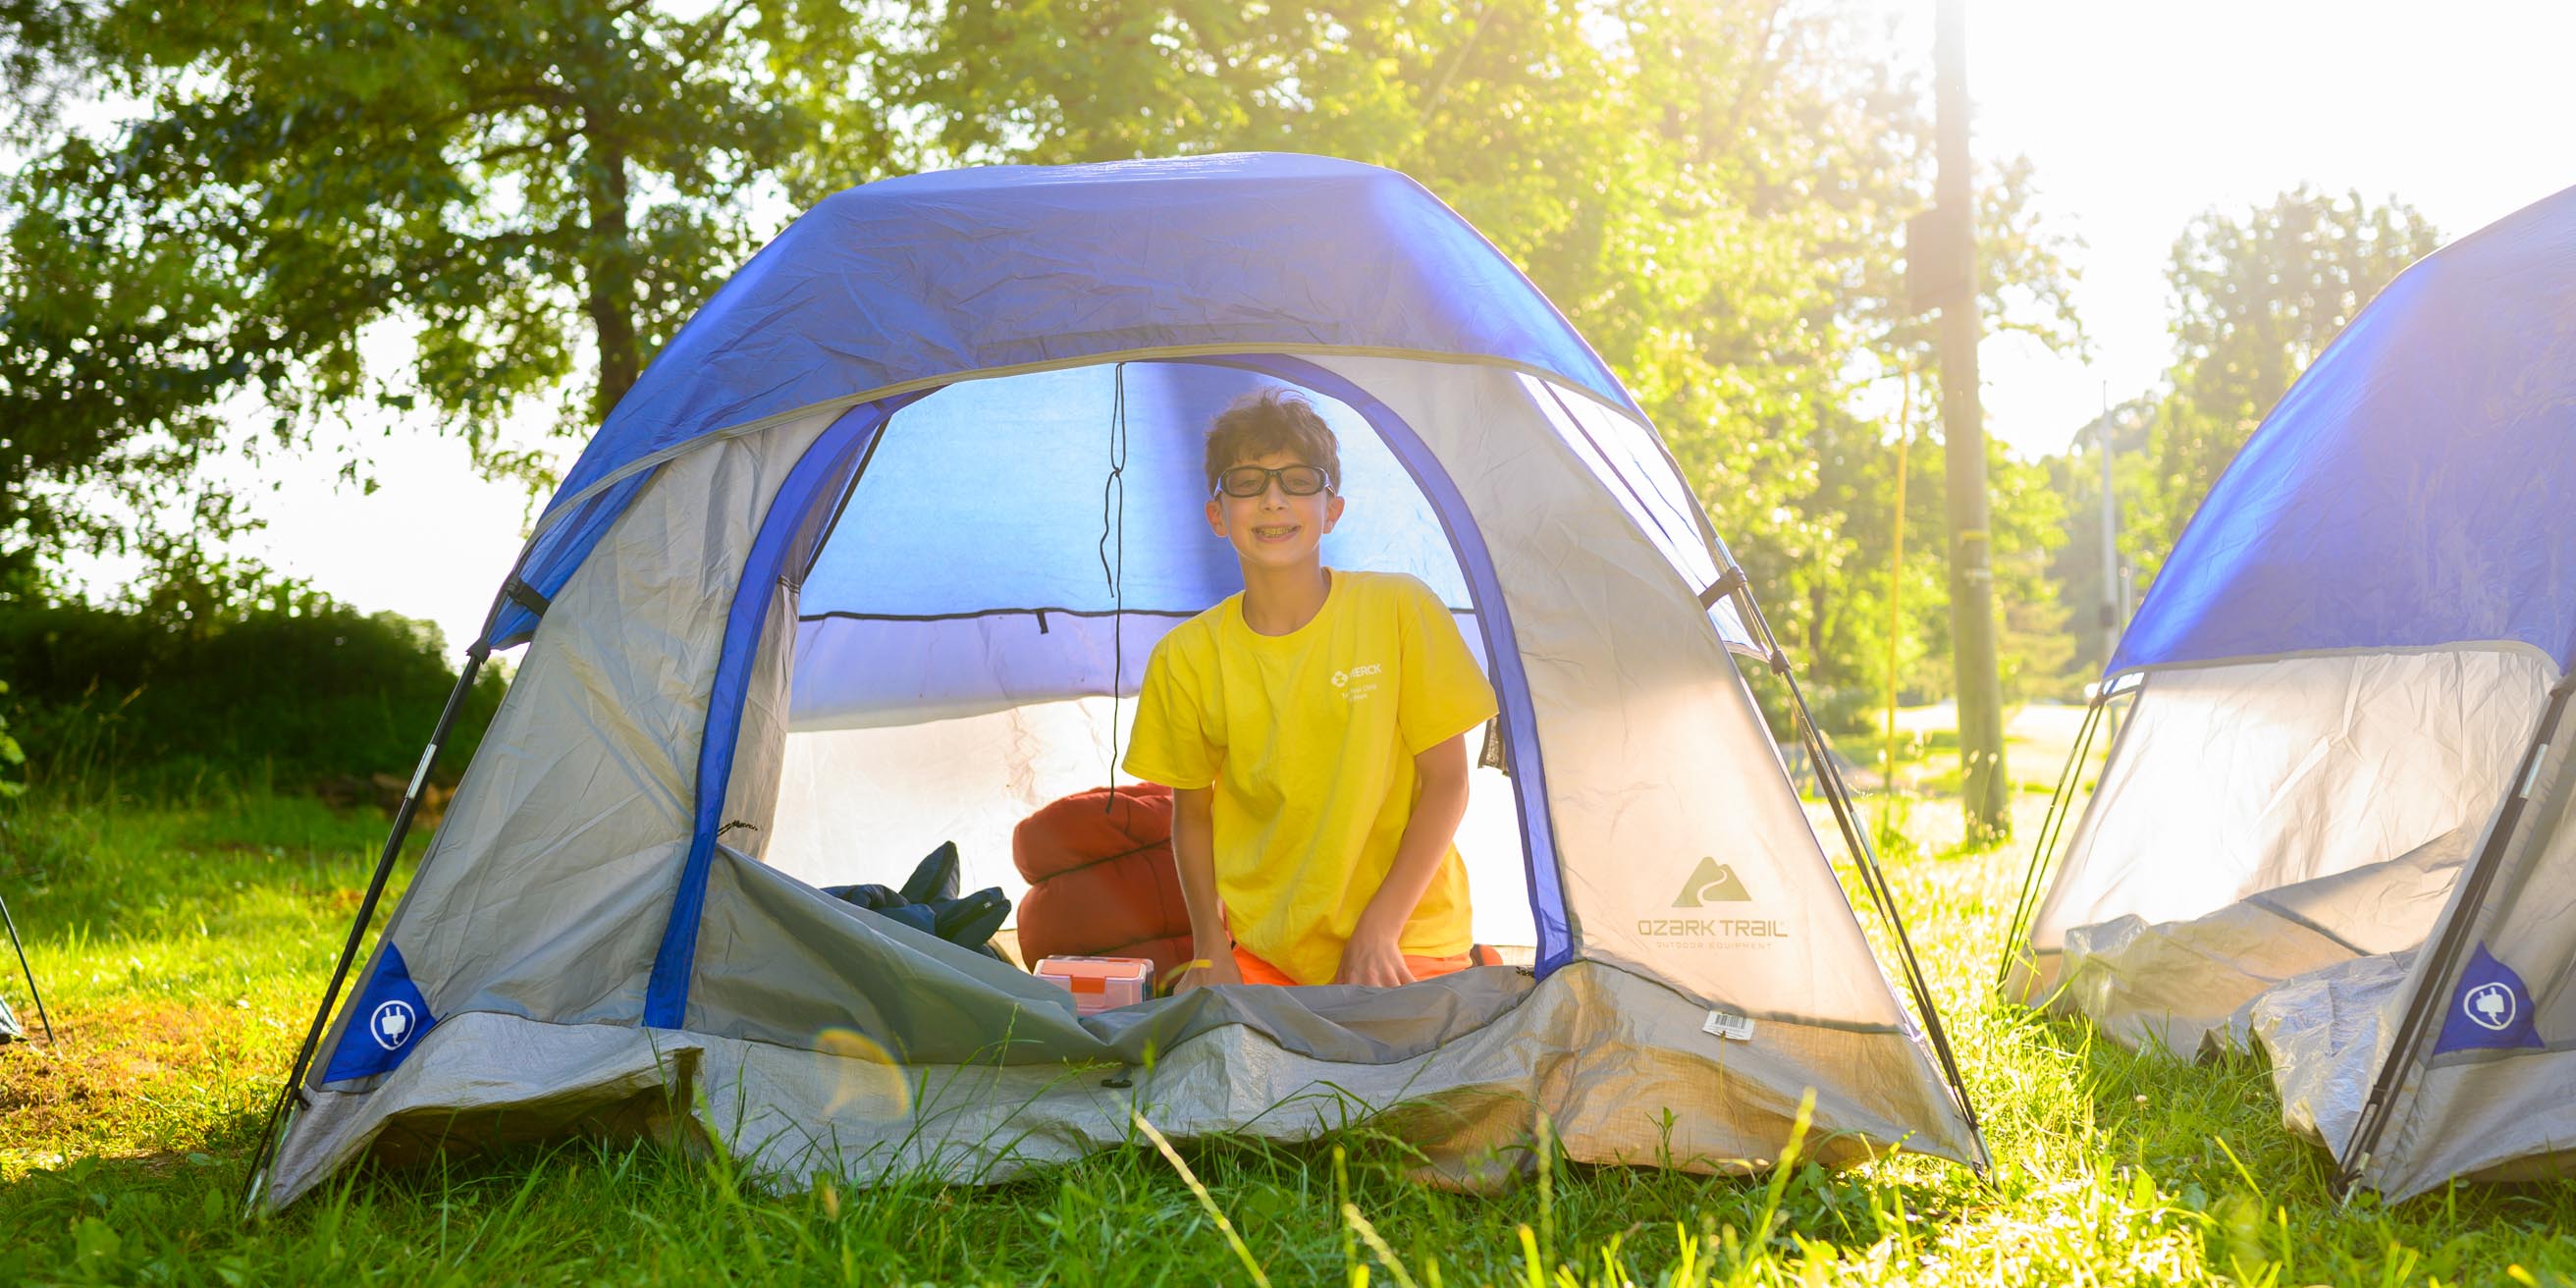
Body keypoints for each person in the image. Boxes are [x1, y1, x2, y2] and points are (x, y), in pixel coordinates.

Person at [1122, 390, 1498, 991]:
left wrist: (1378, 932)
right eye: (1247, 482)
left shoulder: (1400, 609)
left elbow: (1448, 782)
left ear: (1332, 511)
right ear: (1217, 515)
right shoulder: (1184, 656)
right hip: (1268, 953)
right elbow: (1191, 817)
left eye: (1298, 481)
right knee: (1213, 1048)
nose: (1273, 499)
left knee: (1397, 1048)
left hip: (1407, 937)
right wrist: (1210, 949)